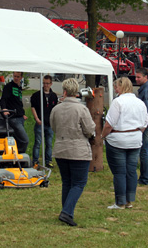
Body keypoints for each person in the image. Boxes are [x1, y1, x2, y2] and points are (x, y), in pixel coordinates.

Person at [50, 78, 96, 226]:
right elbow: (89, 130)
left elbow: (54, 127)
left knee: (67, 182)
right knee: (79, 183)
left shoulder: (56, 109)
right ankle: (67, 212)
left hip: (61, 148)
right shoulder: (81, 109)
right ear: (76, 92)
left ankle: (66, 210)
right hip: (78, 150)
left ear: (64, 91)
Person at [101, 77, 148, 210]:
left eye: (116, 87)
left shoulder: (118, 102)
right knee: (131, 171)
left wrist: (102, 136)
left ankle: (120, 202)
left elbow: (109, 124)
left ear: (122, 87)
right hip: (135, 139)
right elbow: (145, 122)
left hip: (118, 139)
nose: (115, 89)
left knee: (119, 172)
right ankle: (129, 200)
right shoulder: (140, 103)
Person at [30, 75, 58, 167]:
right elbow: (33, 107)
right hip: (40, 123)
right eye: (44, 83)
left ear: (51, 84)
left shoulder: (53, 96)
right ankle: (35, 161)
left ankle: (48, 161)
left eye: (47, 83)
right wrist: (37, 118)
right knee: (38, 143)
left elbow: (55, 109)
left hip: (49, 124)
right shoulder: (37, 95)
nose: (45, 85)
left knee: (49, 143)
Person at [0, 72, 29, 154]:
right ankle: (20, 155)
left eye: (18, 76)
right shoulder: (8, 87)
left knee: (18, 139)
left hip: (20, 117)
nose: (16, 78)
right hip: (13, 118)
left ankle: (15, 155)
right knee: (25, 140)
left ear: (21, 77)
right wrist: (4, 109)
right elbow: (3, 99)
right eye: (14, 76)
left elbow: (18, 103)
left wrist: (22, 113)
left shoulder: (19, 87)